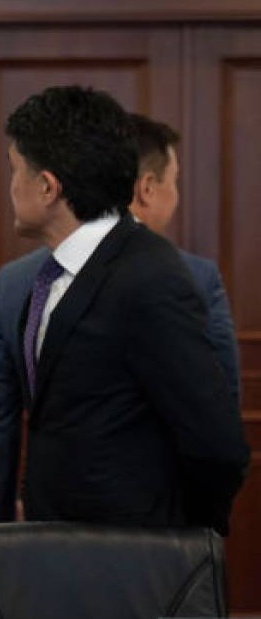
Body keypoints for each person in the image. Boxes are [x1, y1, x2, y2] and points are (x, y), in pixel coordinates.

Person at [0, 85, 249, 533]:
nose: (11, 187)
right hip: (55, 545)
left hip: (131, 554)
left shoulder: (151, 275)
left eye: (15, 171)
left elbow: (217, 445)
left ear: (47, 187)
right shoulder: (45, 276)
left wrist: (182, 543)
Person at [128, 113, 241, 403]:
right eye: (174, 181)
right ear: (147, 188)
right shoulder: (196, 277)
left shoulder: (28, 278)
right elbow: (223, 398)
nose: (176, 196)